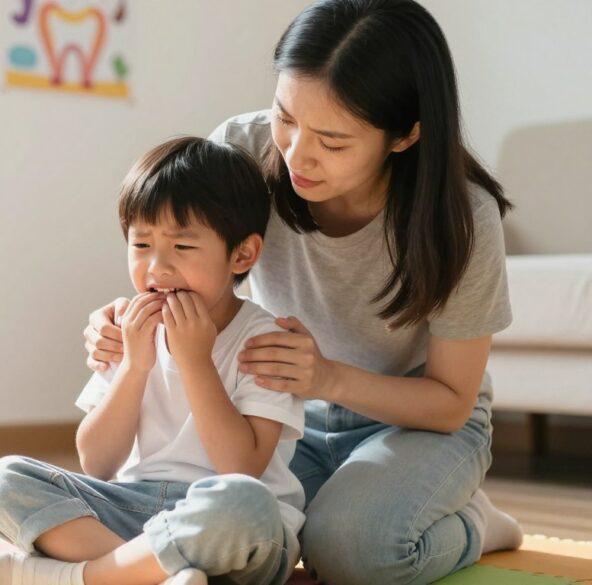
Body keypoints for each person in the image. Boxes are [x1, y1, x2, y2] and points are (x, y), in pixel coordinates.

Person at [84, 1, 524, 583]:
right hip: (281, 413)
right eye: (284, 117)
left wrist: (329, 378)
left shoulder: (462, 216)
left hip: (416, 423)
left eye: (333, 142)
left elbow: (451, 402)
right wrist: (120, 322)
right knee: (222, 531)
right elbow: (182, 264)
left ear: (405, 135)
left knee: (349, 554)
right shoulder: (238, 151)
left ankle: (474, 522)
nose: (295, 154)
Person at [0, 137, 304, 585]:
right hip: (132, 507)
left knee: (244, 504)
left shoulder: (264, 341)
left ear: (241, 254)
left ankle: (87, 577)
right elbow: (97, 463)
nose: (157, 269)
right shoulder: (129, 328)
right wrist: (134, 367)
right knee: (3, 480)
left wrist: (195, 362)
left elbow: (240, 467)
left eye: (183, 248)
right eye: (142, 245)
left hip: (229, 523)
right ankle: (151, 573)